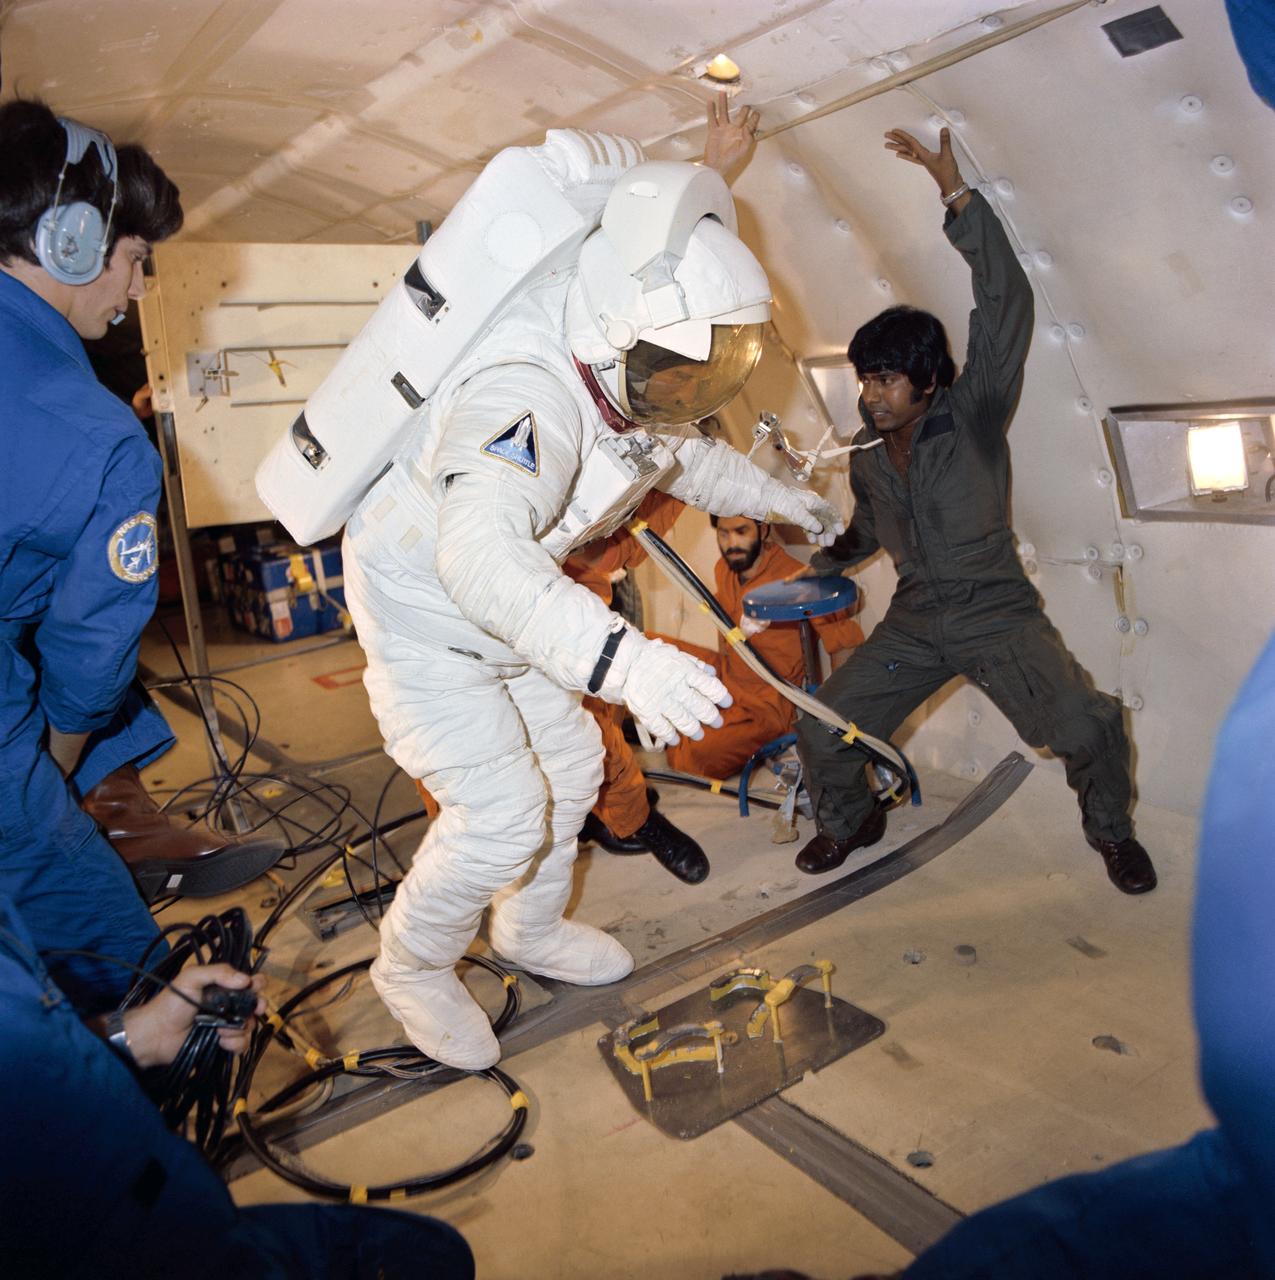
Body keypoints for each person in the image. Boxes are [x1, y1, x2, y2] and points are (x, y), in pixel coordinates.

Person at [337, 121, 842, 1071]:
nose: (687, 391)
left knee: (570, 771)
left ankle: (527, 932)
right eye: (683, 372)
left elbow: (683, 457)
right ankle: (411, 966)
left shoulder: (628, 362)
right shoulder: (525, 394)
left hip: (513, 613)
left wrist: (783, 499)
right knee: (499, 816)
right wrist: (626, 662)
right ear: (620, 334)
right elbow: (478, 558)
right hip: (428, 618)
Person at [793, 127, 1155, 895]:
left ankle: (1111, 831)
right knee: (824, 723)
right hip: (916, 622)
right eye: (864, 379)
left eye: (886, 380)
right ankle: (851, 822)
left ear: (928, 381)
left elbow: (1004, 303)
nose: (870, 394)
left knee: (1085, 723)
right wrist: (819, 559)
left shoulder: (973, 414)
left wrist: (956, 197)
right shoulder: (865, 448)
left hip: (996, 616)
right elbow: (866, 528)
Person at [0, 99, 282, 1012]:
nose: (135, 288)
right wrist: (47, 782)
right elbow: (86, 665)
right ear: (72, 242)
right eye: (133, 258)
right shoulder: (97, 435)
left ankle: (125, 815)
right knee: (134, 988)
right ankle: (110, 825)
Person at [0, 892, 474, 1280]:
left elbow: (42, 1032)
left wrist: (137, 1034)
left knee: (431, 1253)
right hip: (112, 1245)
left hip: (177, 1201)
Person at [657, 513, 863, 780]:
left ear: (763, 530)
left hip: (766, 705)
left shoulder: (794, 578)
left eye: (741, 531)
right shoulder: (723, 569)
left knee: (697, 756)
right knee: (645, 647)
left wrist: (832, 717)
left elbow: (844, 640)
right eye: (723, 533)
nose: (732, 543)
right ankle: (671, 727)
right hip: (726, 677)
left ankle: (678, 733)